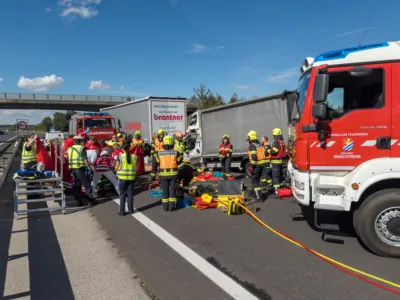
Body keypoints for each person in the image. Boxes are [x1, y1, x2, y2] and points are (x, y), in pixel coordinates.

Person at [67, 135, 96, 207]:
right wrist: (89, 168)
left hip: (72, 169)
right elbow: (85, 159)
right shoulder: (82, 148)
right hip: (80, 168)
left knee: (77, 185)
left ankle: (78, 202)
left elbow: (67, 158)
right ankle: (90, 201)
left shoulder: (69, 149)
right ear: (80, 141)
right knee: (87, 185)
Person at [157, 135, 180, 211]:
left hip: (163, 175)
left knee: (165, 190)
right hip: (173, 174)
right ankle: (171, 207)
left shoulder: (159, 152)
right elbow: (179, 161)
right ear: (172, 143)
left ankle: (165, 207)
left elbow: (157, 163)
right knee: (172, 190)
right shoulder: (176, 152)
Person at [115, 143, 138, 215]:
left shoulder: (120, 156)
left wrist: (117, 171)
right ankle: (131, 210)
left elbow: (116, 167)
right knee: (130, 194)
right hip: (131, 178)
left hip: (122, 178)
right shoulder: (134, 157)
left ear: (122, 149)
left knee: (122, 195)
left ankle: (122, 211)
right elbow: (136, 167)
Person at [247, 130, 268, 201]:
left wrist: (251, 166)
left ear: (251, 138)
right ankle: (252, 193)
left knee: (254, 181)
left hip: (257, 165)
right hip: (262, 164)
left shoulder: (252, 146)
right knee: (257, 180)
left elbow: (254, 157)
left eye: (249, 139)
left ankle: (259, 197)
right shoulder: (259, 144)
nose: (248, 141)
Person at [266, 128, 286, 195]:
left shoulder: (276, 142)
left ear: (276, 135)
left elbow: (274, 152)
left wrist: (268, 150)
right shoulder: (281, 142)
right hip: (280, 161)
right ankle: (280, 190)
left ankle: (277, 192)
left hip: (276, 162)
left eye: (273, 135)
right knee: (279, 176)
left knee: (275, 177)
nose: (273, 136)